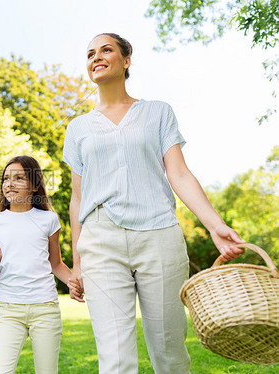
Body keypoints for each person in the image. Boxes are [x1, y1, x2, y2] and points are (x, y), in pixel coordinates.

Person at [63, 33, 245, 374]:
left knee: (170, 353)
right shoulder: (78, 128)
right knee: (115, 359)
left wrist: (215, 226)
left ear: (126, 60)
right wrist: (77, 261)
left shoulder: (157, 113)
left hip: (158, 235)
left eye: (106, 50)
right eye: (90, 53)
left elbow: (179, 175)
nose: (96, 57)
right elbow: (78, 199)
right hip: (100, 242)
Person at [0, 155, 74, 374]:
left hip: (45, 309)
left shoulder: (48, 220)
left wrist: (75, 282)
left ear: (34, 186)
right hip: (9, 310)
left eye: (19, 178)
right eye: (5, 179)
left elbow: (56, 264)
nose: (9, 184)